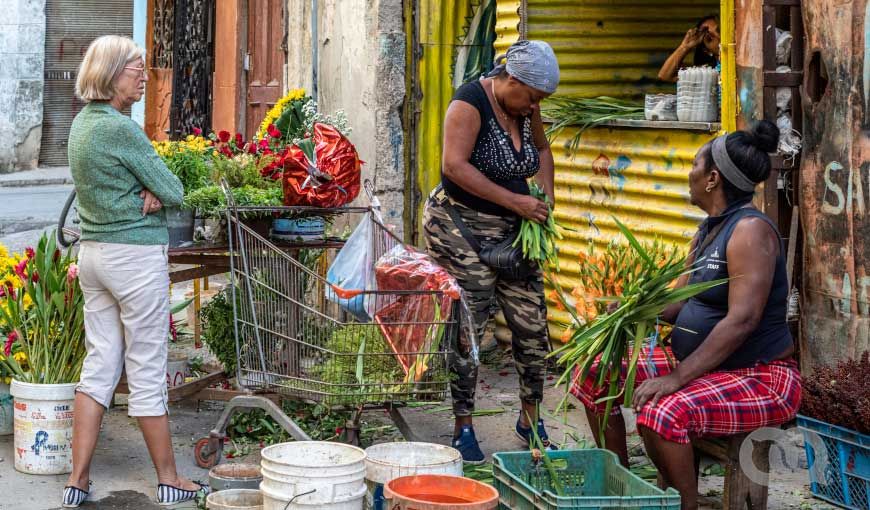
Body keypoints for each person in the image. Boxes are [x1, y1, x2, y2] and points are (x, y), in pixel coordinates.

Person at [571, 121, 801, 510]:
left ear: (712, 179)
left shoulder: (749, 231)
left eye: (695, 164)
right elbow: (679, 303)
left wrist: (676, 377)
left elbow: (742, 319)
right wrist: (630, 310)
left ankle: (683, 505)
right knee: (596, 371)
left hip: (759, 376)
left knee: (662, 411)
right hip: (709, 368)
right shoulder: (708, 230)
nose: (689, 172)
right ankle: (624, 490)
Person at [63, 35, 208, 507]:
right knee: (146, 368)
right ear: (109, 73)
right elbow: (174, 187)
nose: (144, 75)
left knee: (99, 365)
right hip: (132, 257)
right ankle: (169, 478)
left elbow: (138, 189)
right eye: (136, 68)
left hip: (95, 257)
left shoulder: (82, 125)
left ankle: (77, 481)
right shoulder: (121, 129)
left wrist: (148, 191)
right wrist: (153, 193)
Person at [423, 40, 560, 464]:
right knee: (471, 325)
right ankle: (464, 427)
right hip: (460, 226)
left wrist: (545, 199)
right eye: (532, 97)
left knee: (532, 325)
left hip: (513, 229)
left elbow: (541, 152)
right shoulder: (469, 103)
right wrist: (517, 202)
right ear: (512, 80)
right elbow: (454, 167)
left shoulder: (527, 106)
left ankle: (530, 418)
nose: (534, 107)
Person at [658, 15, 720, 82]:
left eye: (719, 30)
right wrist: (685, 46)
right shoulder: (710, 73)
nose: (718, 36)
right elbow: (665, 76)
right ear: (707, 51)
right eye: (709, 38)